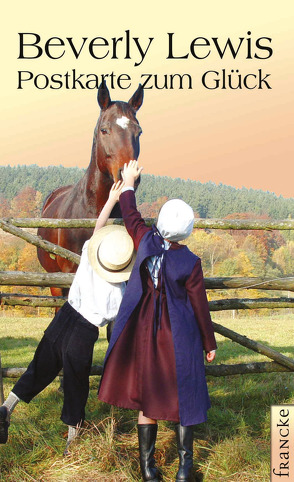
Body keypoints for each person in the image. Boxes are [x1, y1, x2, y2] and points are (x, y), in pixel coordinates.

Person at [98, 161, 217, 482]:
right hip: (181, 336)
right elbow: (200, 306)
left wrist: (129, 181)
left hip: (147, 334)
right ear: (188, 229)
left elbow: (130, 211)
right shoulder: (191, 262)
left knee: (148, 397)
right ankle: (184, 470)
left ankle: (148, 470)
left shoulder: (146, 240)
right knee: (186, 397)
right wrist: (209, 343)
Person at [0, 181, 136, 455]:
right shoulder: (121, 292)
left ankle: (6, 409)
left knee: (39, 366)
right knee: (76, 385)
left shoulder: (88, 255)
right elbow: (120, 322)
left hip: (63, 317)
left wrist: (110, 200)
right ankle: (71, 442)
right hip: (84, 332)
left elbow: (98, 229)